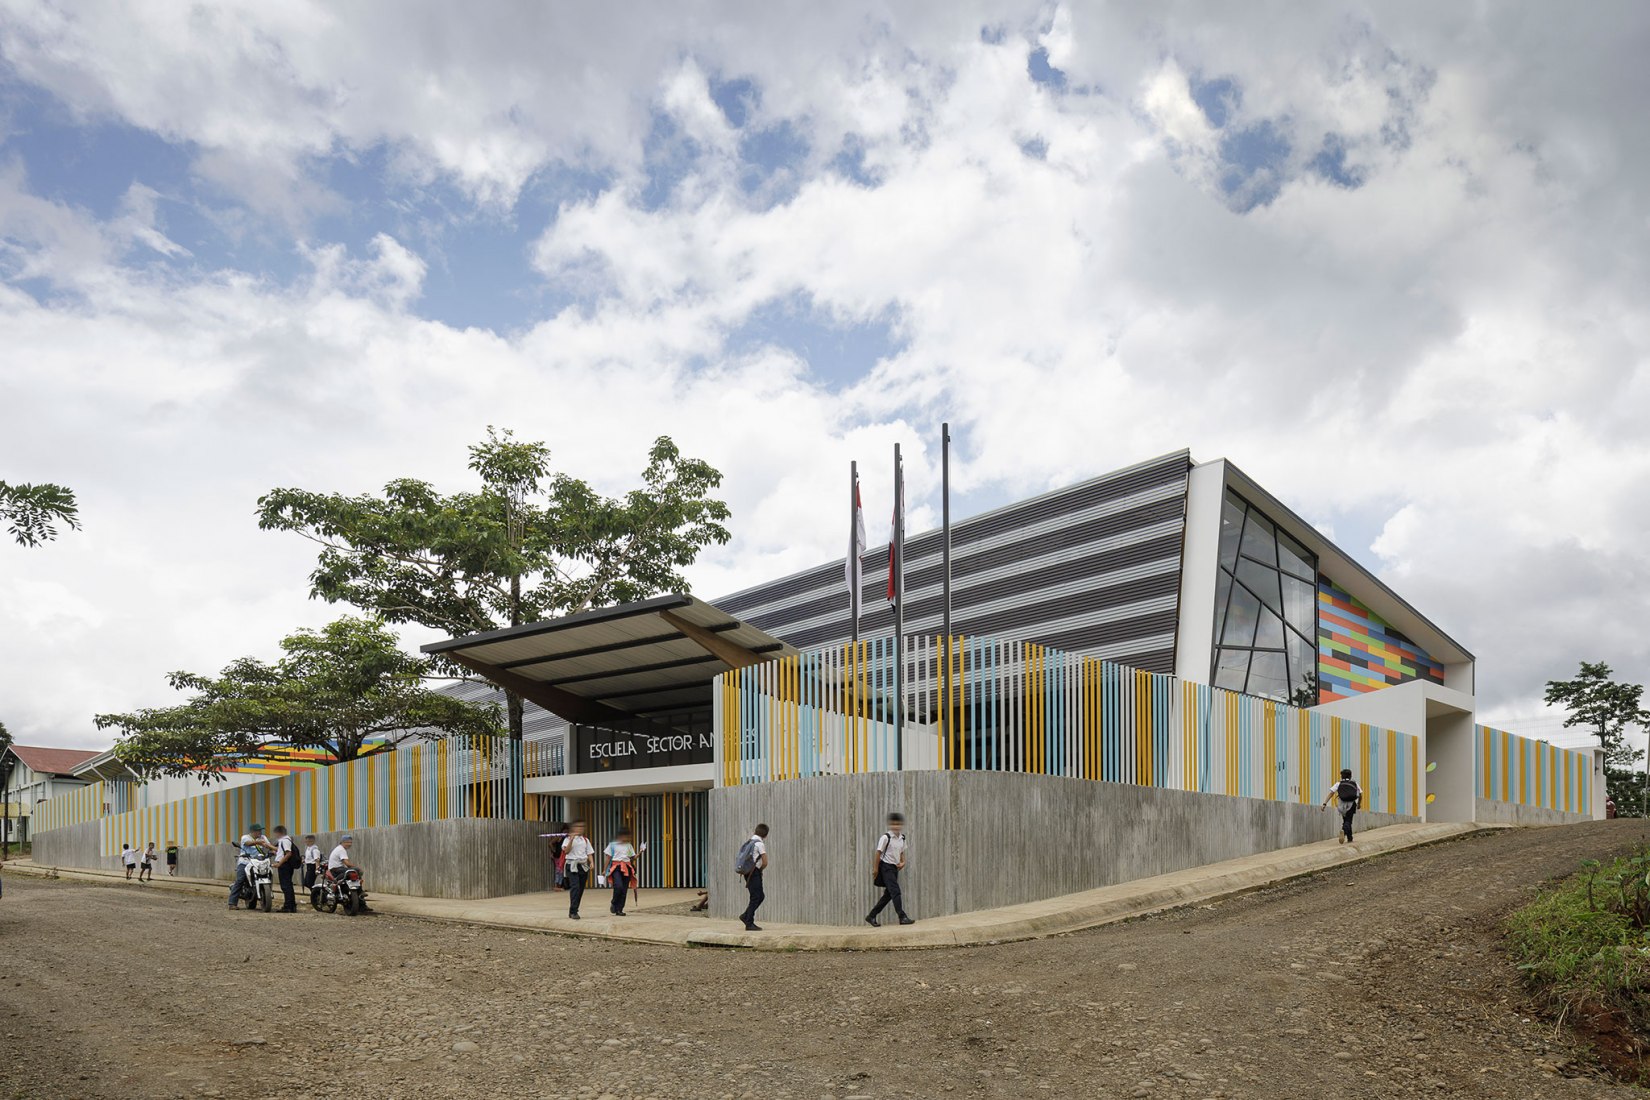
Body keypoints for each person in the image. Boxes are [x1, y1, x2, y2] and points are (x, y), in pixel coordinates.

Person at [865, 812, 915, 927]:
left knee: (889, 895)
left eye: (898, 824)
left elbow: (902, 851)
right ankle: (902, 917)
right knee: (896, 891)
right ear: (890, 825)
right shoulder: (885, 837)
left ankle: (871, 916)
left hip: (894, 868)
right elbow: (878, 853)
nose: (896, 826)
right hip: (885, 867)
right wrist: (876, 869)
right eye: (893, 824)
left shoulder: (902, 838)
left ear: (901, 825)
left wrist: (903, 862)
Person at [229, 824, 273, 909]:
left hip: (258, 861)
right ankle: (232, 903)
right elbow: (248, 843)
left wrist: (274, 850)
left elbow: (268, 845)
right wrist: (258, 842)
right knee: (240, 880)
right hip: (245, 862)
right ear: (253, 832)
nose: (260, 832)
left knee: (268, 873)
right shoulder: (245, 837)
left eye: (260, 830)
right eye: (258, 831)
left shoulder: (263, 837)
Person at [736, 823, 769, 932]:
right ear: (766, 835)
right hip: (754, 872)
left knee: (759, 896)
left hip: (747, 872)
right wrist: (761, 870)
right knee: (756, 897)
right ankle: (749, 922)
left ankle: (746, 916)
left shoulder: (750, 841)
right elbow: (765, 862)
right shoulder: (759, 844)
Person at [326, 834, 371, 912]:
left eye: (350, 842)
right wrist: (356, 867)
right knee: (357, 871)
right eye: (347, 842)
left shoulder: (340, 849)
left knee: (355, 881)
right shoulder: (341, 850)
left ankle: (362, 903)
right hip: (336, 870)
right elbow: (347, 863)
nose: (349, 844)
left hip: (339, 869)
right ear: (342, 842)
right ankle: (360, 892)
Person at [561, 820, 594, 920]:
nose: (580, 828)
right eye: (578, 826)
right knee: (575, 887)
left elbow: (589, 852)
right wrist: (571, 839)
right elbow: (566, 851)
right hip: (572, 865)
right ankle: (573, 911)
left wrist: (591, 862)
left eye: (582, 827)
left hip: (583, 866)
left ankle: (575, 908)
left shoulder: (585, 840)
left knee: (580, 889)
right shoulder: (567, 839)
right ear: (573, 828)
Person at [1321, 769, 1363, 844]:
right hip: (1351, 804)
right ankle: (1344, 830)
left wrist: (1324, 803)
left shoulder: (1338, 784)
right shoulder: (1354, 783)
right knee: (1349, 821)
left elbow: (1331, 793)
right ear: (1350, 776)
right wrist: (1359, 803)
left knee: (1346, 820)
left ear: (1341, 776)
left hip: (1341, 805)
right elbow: (1360, 794)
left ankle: (1350, 838)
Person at [604, 826, 637, 917]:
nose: (626, 838)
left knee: (624, 889)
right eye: (625, 836)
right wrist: (604, 870)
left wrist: (640, 853)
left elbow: (632, 857)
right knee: (618, 886)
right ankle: (614, 902)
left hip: (627, 867)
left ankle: (619, 909)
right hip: (616, 867)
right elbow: (608, 858)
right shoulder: (612, 845)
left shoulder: (629, 846)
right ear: (620, 836)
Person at [270, 826, 300, 913]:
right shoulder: (284, 841)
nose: (275, 835)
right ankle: (290, 905)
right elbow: (282, 852)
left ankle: (289, 906)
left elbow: (288, 854)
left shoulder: (285, 841)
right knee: (287, 886)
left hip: (285, 865)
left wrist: (279, 863)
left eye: (275, 833)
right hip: (284, 865)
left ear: (279, 833)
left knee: (286, 886)